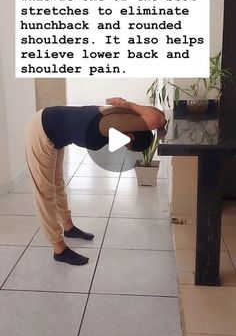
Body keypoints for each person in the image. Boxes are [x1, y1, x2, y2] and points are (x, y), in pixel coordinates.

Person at [25, 97, 166, 265]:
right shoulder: (115, 123)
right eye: (127, 145)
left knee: (58, 184)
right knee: (45, 192)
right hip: (41, 130)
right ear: (131, 136)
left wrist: (129, 105)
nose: (123, 146)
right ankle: (59, 248)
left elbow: (158, 113)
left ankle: (68, 227)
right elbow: (158, 119)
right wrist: (127, 104)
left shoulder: (127, 117)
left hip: (55, 132)